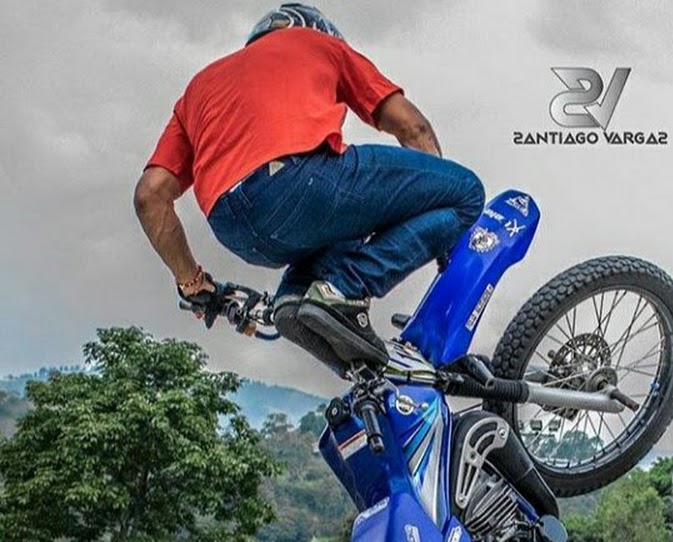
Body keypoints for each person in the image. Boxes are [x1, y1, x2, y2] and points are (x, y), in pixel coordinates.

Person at [134, 3, 484, 372]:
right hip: (301, 182)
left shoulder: (198, 88)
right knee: (465, 192)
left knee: (348, 220)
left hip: (234, 229)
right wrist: (439, 229)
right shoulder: (318, 43)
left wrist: (192, 283)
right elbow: (413, 127)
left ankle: (297, 298)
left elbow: (150, 195)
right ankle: (346, 287)